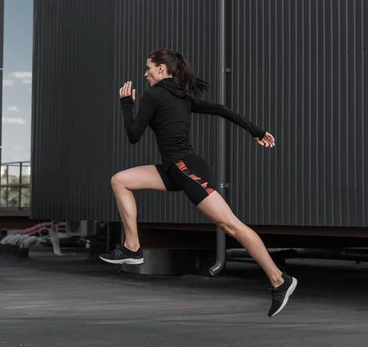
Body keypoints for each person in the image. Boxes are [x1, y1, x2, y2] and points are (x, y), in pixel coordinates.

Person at [99, 48, 297, 318]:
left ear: (161, 69)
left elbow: (134, 135)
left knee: (231, 225)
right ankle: (132, 247)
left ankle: (279, 279)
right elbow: (222, 110)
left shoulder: (154, 95)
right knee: (120, 180)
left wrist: (125, 105)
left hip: (184, 168)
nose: (145, 74)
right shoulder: (180, 97)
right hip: (174, 168)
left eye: (148, 68)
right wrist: (257, 131)